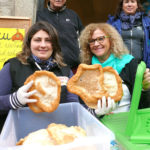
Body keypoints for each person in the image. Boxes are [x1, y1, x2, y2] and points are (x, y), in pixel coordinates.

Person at [0, 21, 79, 132]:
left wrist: (94, 112)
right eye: (37, 40)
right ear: (29, 43)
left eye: (48, 40)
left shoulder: (65, 71)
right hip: (19, 136)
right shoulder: (12, 66)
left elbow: (73, 107)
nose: (43, 45)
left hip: (54, 135)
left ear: (54, 44)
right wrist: (14, 100)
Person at [79, 22, 150, 117]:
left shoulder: (129, 63)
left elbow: (143, 104)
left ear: (111, 40)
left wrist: (145, 88)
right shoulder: (86, 70)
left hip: (129, 124)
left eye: (101, 39)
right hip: (100, 125)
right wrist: (97, 113)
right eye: (91, 41)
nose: (96, 44)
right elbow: (83, 110)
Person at [36, 0, 84, 73]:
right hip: (47, 67)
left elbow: (83, 39)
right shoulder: (40, 15)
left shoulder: (73, 15)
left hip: (73, 67)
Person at [107, 0, 150, 68]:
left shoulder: (146, 21)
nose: (129, 4)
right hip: (120, 65)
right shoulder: (113, 23)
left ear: (137, 5)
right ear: (122, 5)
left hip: (141, 65)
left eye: (132, 1)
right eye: (126, 2)